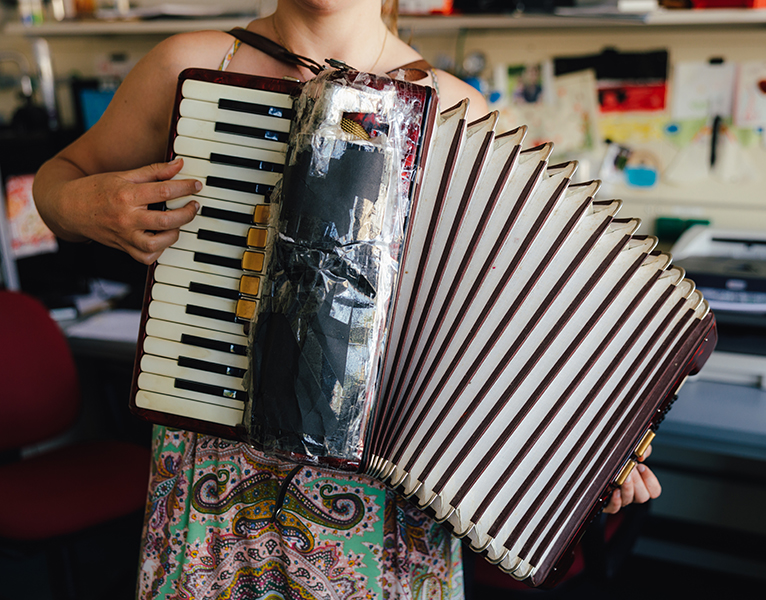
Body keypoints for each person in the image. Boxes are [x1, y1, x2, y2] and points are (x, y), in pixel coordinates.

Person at [32, 0, 661, 597]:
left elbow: (525, 329)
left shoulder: (461, 114)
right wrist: (85, 204)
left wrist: (599, 447)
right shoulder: (190, 66)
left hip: (386, 504)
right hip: (216, 482)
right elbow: (57, 180)